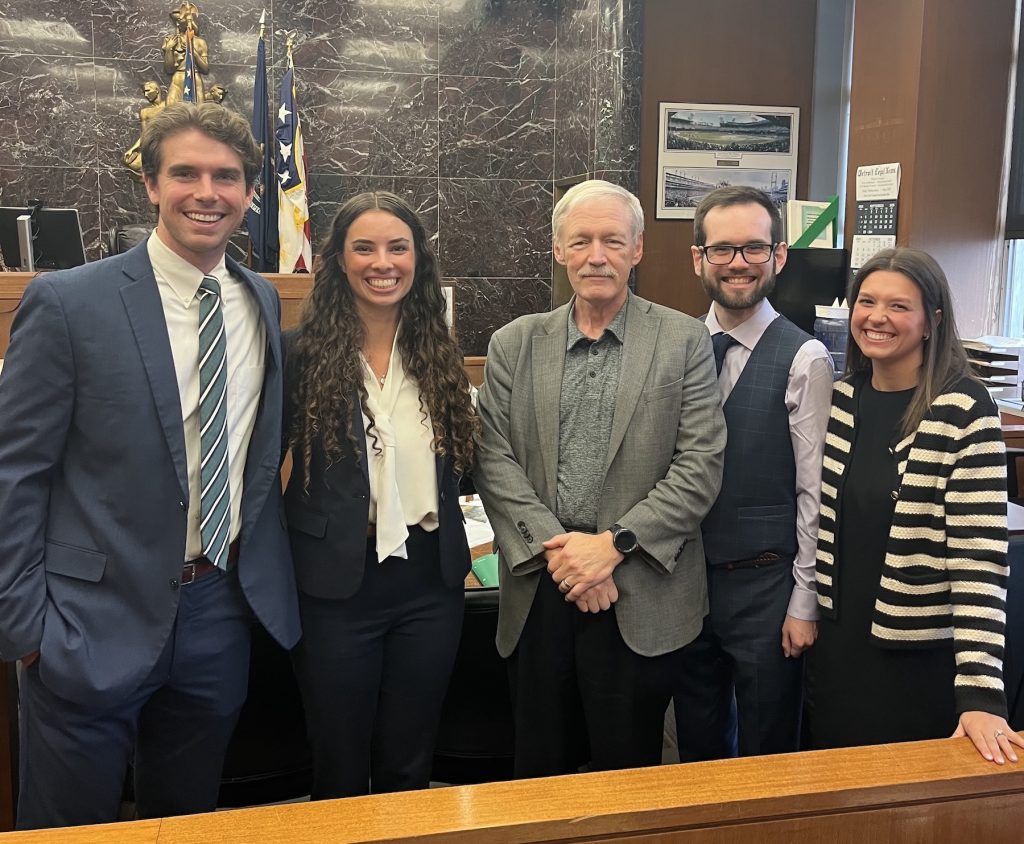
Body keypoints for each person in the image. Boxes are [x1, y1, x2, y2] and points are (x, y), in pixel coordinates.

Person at [0, 102, 300, 829]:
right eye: (186, 173)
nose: (208, 192)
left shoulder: (261, 300)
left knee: (187, 820)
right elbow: (15, 473)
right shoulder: (68, 302)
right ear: (150, 184)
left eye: (226, 176)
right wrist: (26, 630)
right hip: (84, 623)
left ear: (250, 192)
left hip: (214, 614)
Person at [474, 179, 726, 777]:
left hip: (639, 590)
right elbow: (493, 457)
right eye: (581, 240)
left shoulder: (684, 339)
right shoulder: (514, 343)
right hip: (542, 588)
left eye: (613, 240)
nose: (597, 255)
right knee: (539, 776)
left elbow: (699, 466)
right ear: (559, 250)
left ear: (637, 249)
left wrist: (611, 548)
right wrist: (567, 558)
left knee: (630, 779)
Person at [284, 191, 477, 798]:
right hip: (336, 583)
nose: (382, 261)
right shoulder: (298, 353)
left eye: (398, 247)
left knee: (409, 757)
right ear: (339, 260)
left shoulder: (439, 351)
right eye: (363, 247)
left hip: (429, 584)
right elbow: (262, 468)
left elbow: (463, 468)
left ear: (418, 258)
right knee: (338, 758)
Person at [806, 247, 1024, 764]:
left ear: (932, 320)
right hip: (838, 649)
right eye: (867, 301)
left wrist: (979, 693)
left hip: (913, 655)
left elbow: (979, 558)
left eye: (899, 306)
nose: (877, 317)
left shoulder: (965, 408)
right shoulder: (843, 396)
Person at [673, 187, 834, 759]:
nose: (738, 263)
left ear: (779, 256)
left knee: (768, 754)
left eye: (753, 248)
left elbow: (814, 491)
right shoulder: (680, 346)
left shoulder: (805, 358)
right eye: (722, 249)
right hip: (684, 586)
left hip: (767, 590)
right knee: (695, 746)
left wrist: (804, 601)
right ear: (699, 258)